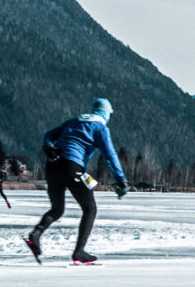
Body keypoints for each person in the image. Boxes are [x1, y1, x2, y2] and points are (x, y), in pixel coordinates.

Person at [24, 97, 128, 264]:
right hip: (72, 166)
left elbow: (48, 135)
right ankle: (79, 252)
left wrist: (48, 146)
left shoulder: (73, 121)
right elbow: (109, 155)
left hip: (53, 166)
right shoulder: (100, 127)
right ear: (106, 113)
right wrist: (120, 178)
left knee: (57, 209)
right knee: (90, 209)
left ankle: (36, 234)